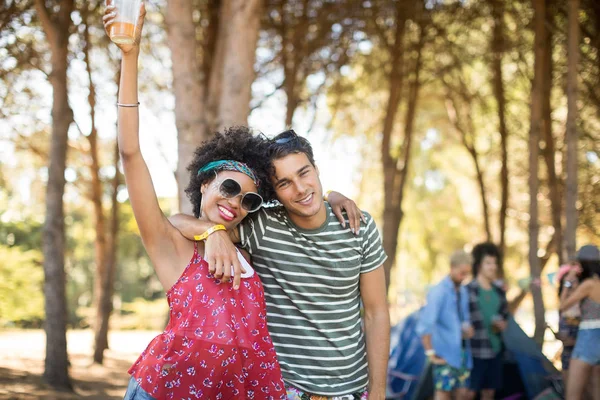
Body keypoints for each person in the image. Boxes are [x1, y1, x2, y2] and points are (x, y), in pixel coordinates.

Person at [103, 4, 289, 398]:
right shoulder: (170, 245)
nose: (236, 201)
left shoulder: (251, 256)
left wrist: (335, 195)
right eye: (228, 187)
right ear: (205, 185)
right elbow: (131, 153)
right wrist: (130, 57)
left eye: (249, 199)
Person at [171, 129, 390, 399]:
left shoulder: (359, 225)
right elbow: (174, 223)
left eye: (304, 173)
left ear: (316, 169)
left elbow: (376, 313)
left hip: (352, 390)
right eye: (284, 183)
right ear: (274, 192)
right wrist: (213, 232)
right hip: (283, 389)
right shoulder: (262, 225)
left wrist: (378, 391)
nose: (299, 189)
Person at [417, 250, 474, 400]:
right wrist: (430, 353)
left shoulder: (463, 291)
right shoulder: (438, 292)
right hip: (445, 354)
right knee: (443, 393)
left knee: (463, 393)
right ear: (452, 267)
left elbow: (463, 320)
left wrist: (467, 330)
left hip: (462, 353)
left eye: (467, 273)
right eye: (462, 273)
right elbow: (425, 325)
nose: (464, 277)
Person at [465, 243, 509, 400]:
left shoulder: (499, 292)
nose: (493, 267)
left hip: (495, 350)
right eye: (488, 263)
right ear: (478, 265)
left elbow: (505, 318)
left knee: (489, 393)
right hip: (474, 352)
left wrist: (502, 325)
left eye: (495, 263)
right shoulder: (468, 291)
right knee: (468, 393)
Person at [561, 244, 600, 400]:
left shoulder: (589, 284)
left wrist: (568, 282)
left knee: (572, 394)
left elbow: (562, 306)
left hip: (588, 337)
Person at [555, 262, 582, 388]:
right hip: (567, 356)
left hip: (584, 356)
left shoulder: (585, 305)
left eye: (574, 282)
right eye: (567, 284)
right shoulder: (563, 309)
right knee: (568, 390)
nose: (571, 286)